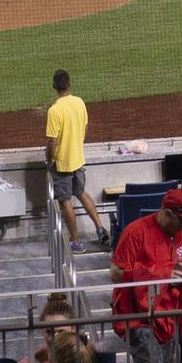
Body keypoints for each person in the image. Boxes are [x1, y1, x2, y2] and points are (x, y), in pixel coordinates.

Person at [109, 186, 182, 363]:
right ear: (168, 214)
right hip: (137, 316)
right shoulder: (135, 232)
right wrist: (161, 274)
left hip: (168, 312)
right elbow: (116, 272)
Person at [46, 70, 109, 252]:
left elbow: (52, 141)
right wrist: (77, 145)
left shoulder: (55, 110)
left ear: (54, 87)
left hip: (62, 164)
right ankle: (99, 228)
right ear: (69, 84)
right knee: (81, 192)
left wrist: (49, 159)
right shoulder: (79, 102)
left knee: (65, 201)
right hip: (78, 159)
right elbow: (85, 127)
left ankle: (75, 242)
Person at [17, 295, 94, 363]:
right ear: (42, 331)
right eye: (49, 332)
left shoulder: (86, 359)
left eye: (61, 332)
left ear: (73, 329)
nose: (55, 339)